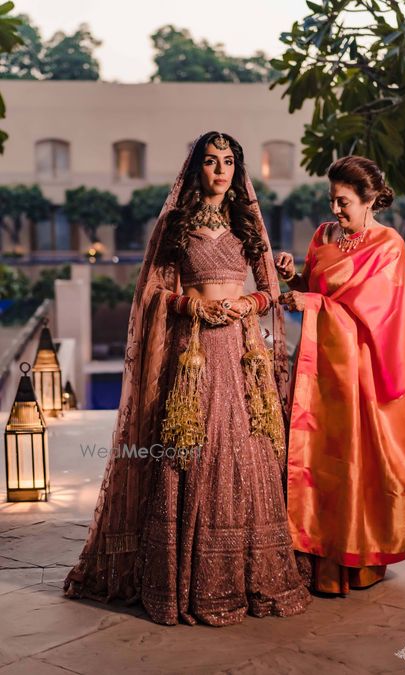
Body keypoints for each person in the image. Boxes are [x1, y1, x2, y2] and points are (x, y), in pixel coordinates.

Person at [63, 131, 311, 625]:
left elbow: (269, 291)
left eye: (228, 162)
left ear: (238, 170)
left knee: (245, 454)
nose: (220, 171)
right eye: (211, 161)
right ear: (196, 168)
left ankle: (245, 574)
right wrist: (189, 304)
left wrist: (246, 303)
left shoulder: (248, 225)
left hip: (241, 355)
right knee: (190, 453)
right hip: (192, 354)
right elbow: (152, 295)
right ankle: (182, 581)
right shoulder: (175, 225)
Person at [275, 155, 405, 595]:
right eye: (332, 199)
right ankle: (314, 553)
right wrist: (292, 277)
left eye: (343, 201)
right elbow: (316, 290)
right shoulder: (323, 235)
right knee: (317, 462)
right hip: (320, 370)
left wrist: (311, 304)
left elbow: (374, 316)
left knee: (352, 464)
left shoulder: (387, 246)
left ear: (370, 199)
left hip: (360, 375)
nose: (335, 209)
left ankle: (357, 562)